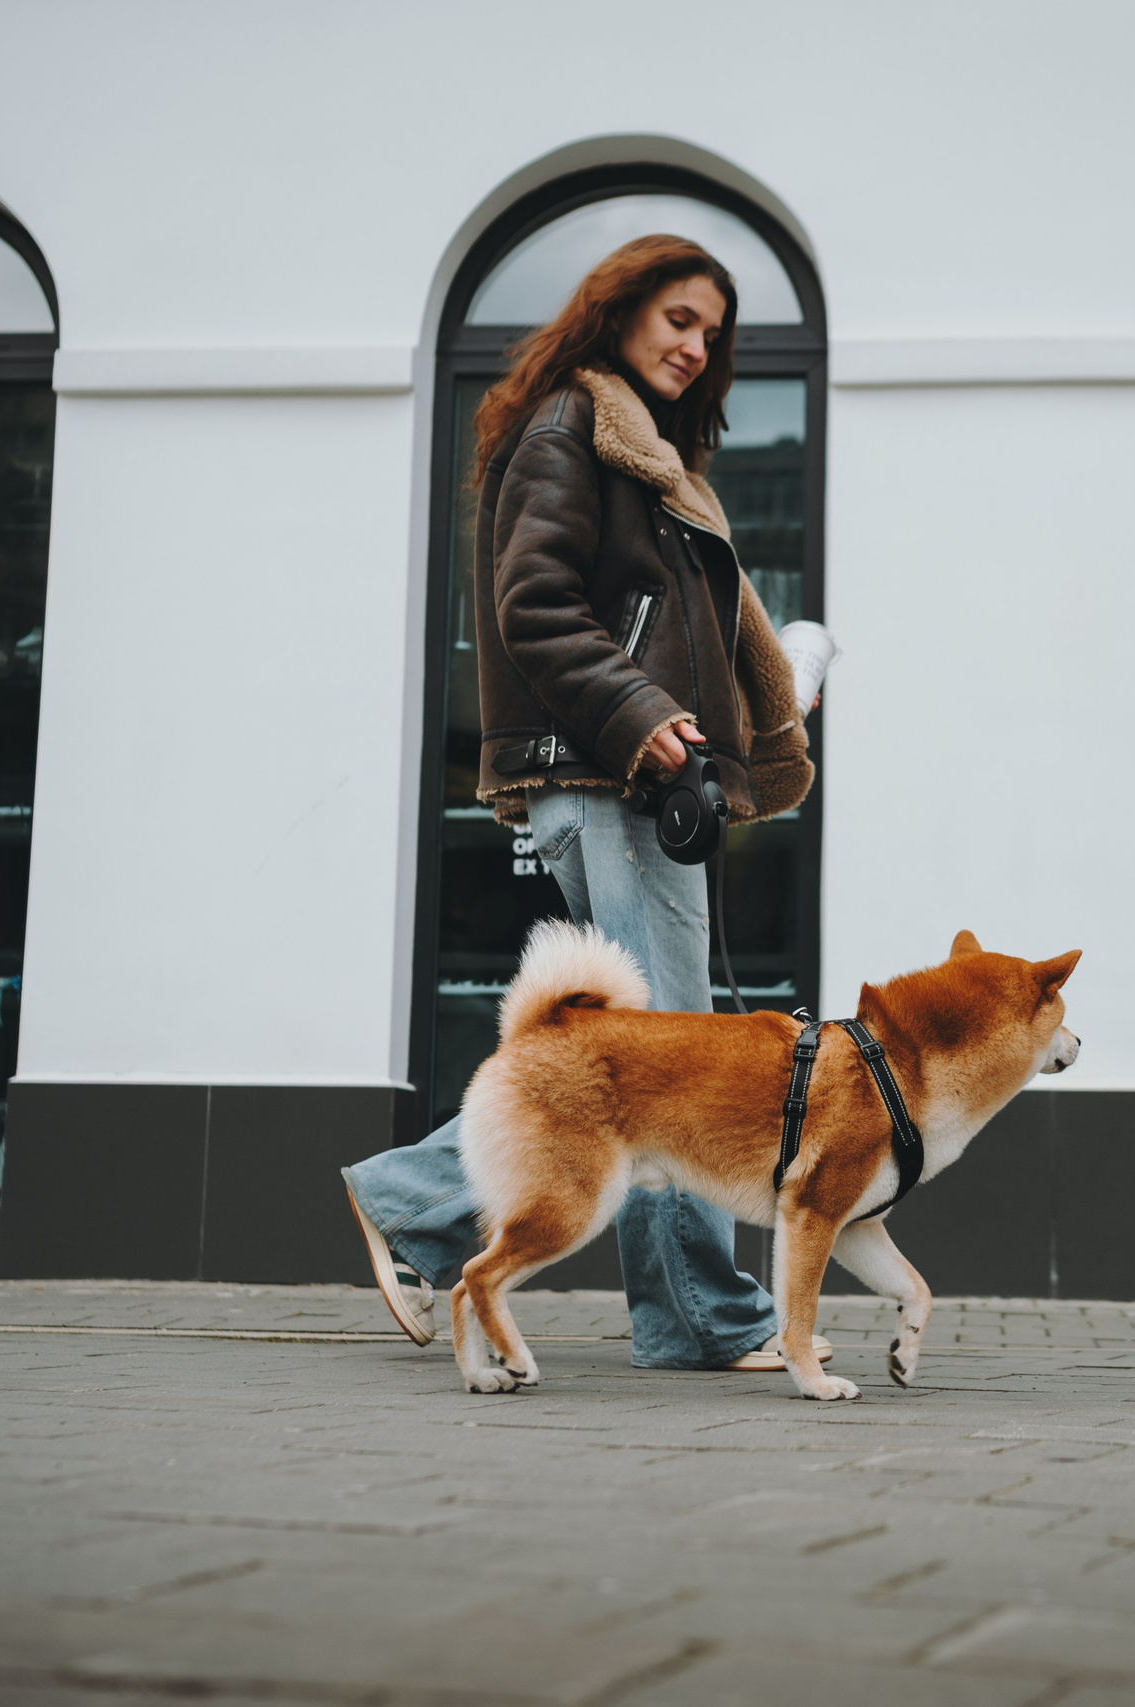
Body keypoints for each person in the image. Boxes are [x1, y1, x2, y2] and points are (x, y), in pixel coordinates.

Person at [341, 234, 826, 1372]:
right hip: (608, 775)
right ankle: (698, 1312)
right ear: (617, 314)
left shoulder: (632, 447)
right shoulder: (575, 429)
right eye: (677, 320)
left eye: (711, 332)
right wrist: (640, 712)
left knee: (627, 1063)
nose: (696, 346)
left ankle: (412, 1201)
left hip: (623, 779)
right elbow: (535, 602)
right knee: (675, 1064)